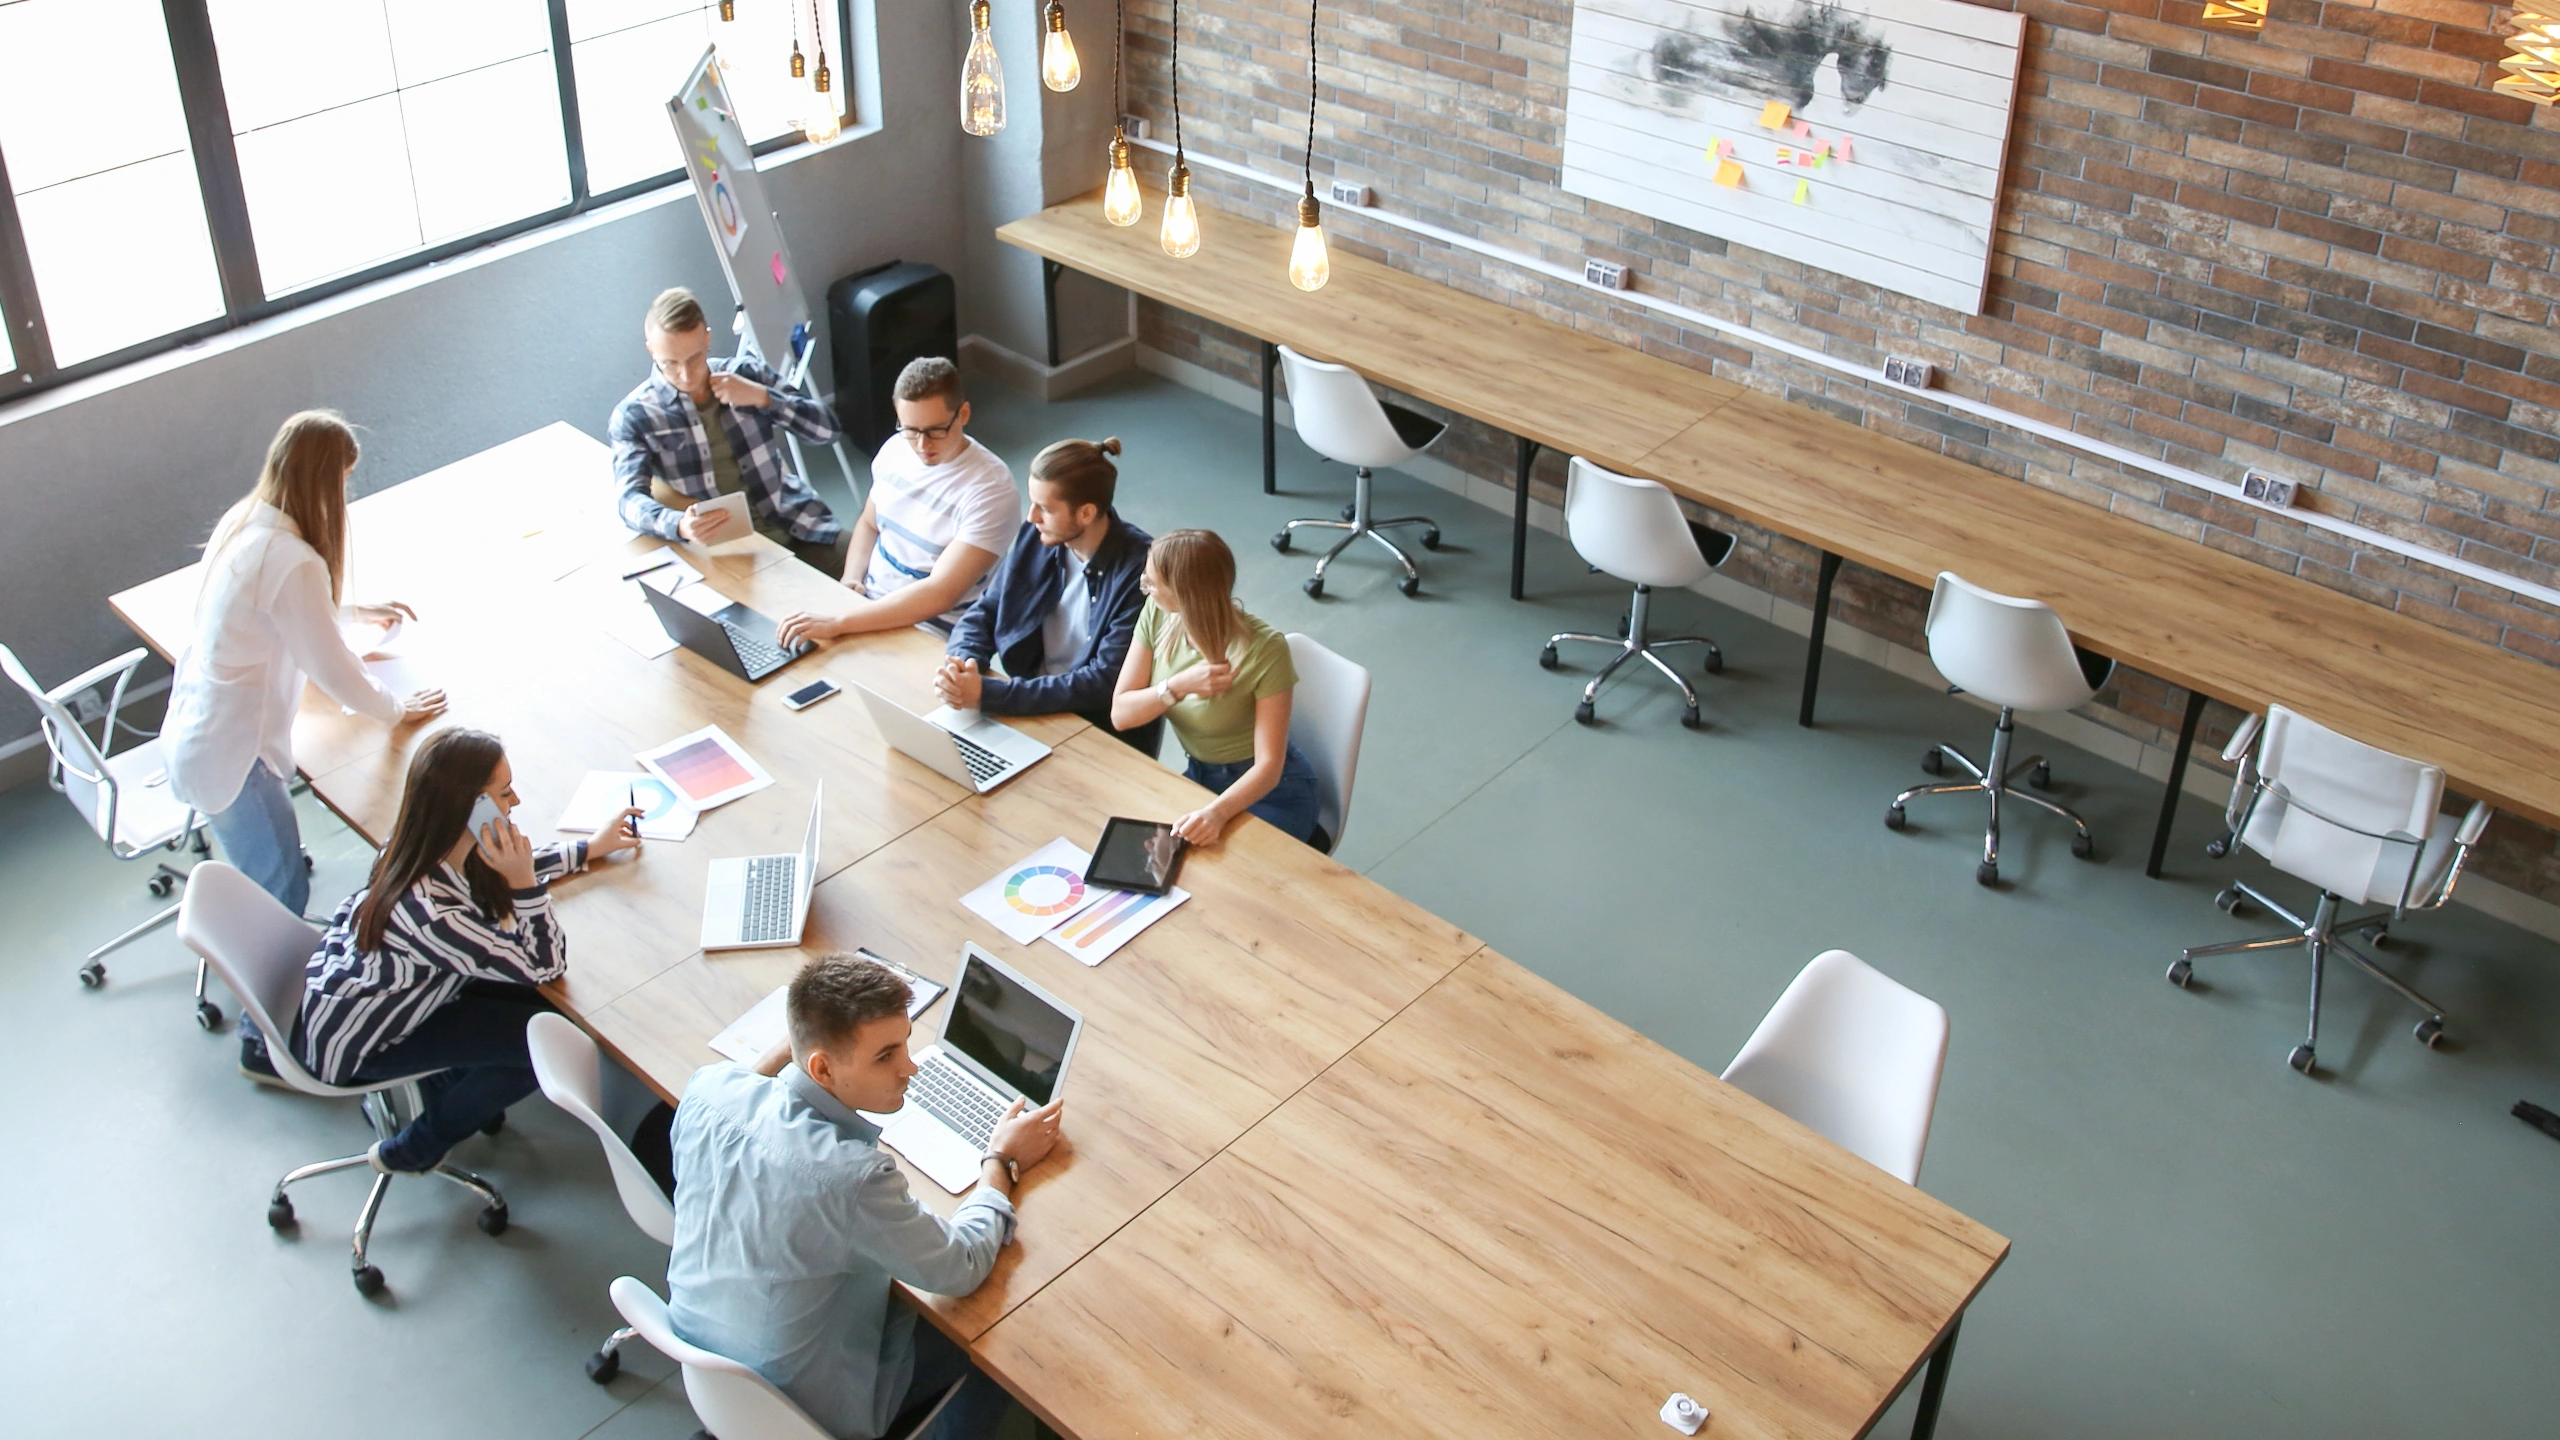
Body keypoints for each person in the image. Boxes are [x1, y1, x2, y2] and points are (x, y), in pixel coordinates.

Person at [669, 953, 1062, 1440]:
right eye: (885, 1055)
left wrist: (812, 1035)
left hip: (709, 1360)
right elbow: (960, 1266)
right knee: (1002, 1350)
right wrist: (1001, 1159)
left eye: (904, 1044)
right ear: (823, 1069)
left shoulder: (707, 1089)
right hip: (807, 1406)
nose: (910, 1068)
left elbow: (756, 1083)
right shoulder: (849, 1178)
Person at [163, 412, 448, 1077]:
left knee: (273, 880)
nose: (344, 498)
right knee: (280, 895)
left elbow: (287, 616)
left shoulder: (252, 522)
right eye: (343, 483)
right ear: (323, 483)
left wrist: (350, 611)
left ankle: (272, 1014)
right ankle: (266, 1046)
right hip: (233, 757)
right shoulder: (291, 557)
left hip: (202, 734)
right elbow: (335, 673)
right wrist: (396, 709)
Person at [296, 728, 642, 1173]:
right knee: (539, 1050)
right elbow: (546, 962)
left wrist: (589, 848)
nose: (514, 801)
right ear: (471, 808)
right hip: (363, 1042)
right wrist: (525, 888)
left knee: (542, 1011)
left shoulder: (424, 843)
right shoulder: (430, 913)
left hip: (392, 994)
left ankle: (454, 1085)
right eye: (504, 792)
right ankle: (414, 1149)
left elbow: (496, 871)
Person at [935, 437, 1158, 753]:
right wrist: (961, 663)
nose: (1031, 518)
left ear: (1086, 513)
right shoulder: (1037, 536)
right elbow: (988, 609)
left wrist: (991, 694)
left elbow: (1101, 682)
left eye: (1046, 509)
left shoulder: (1142, 572)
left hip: (1097, 730)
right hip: (1032, 705)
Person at [609, 287, 851, 577]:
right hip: (732, 552)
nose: (685, 375)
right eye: (670, 364)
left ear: (708, 338)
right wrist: (679, 525)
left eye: (694, 359)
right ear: (651, 350)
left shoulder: (746, 374)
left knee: (879, 574)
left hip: (798, 524)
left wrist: (764, 398)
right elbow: (628, 499)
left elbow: (828, 431)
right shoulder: (635, 415)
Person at [777, 359, 1015, 647]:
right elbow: (869, 524)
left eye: (936, 430)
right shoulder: (895, 449)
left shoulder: (992, 490)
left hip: (933, 628)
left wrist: (841, 623)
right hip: (869, 604)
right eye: (911, 429)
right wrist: (852, 579)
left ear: (963, 414)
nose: (922, 445)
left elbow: (941, 594)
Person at [1109, 530, 1322, 846]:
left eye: (1151, 583)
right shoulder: (1157, 614)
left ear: (1185, 593)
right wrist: (1177, 686)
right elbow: (1121, 714)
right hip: (1200, 776)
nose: (1145, 589)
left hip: (1271, 791)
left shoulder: (1265, 650)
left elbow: (1269, 767)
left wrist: (1216, 814)